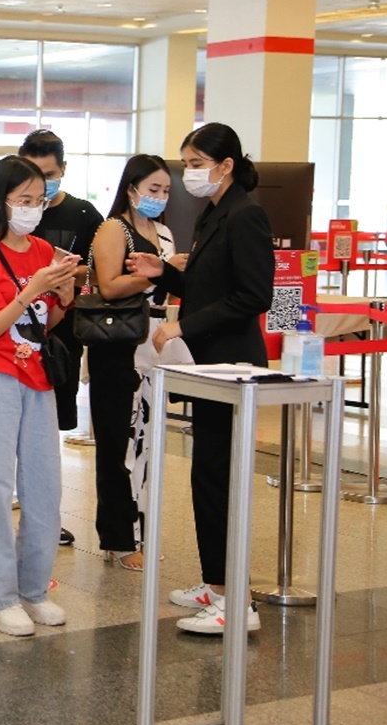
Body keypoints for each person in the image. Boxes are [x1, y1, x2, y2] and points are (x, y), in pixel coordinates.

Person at [128, 123, 273, 636]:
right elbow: (209, 284)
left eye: (195, 164)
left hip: (232, 365)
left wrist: (183, 325)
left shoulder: (246, 214)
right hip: (208, 368)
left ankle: (239, 601)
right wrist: (163, 272)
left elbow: (253, 295)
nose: (188, 174)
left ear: (225, 165)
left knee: (220, 480)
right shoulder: (215, 211)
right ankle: (218, 582)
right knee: (207, 476)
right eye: (186, 163)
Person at [0, 155, 76, 637]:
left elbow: (45, 324)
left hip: (38, 378)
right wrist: (30, 292)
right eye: (22, 199)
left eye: (38, 200)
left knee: (44, 487)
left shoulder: (44, 249)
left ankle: (34, 589)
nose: (32, 208)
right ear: (0, 202)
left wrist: (63, 295)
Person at [86, 155, 178, 572]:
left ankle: (141, 530)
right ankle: (118, 537)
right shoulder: (113, 229)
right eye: (153, 189)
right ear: (132, 188)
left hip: (155, 343)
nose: (160, 197)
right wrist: (161, 273)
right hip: (117, 343)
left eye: (166, 191)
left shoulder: (164, 232)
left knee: (146, 442)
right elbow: (108, 286)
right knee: (116, 443)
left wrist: (170, 275)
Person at [19, 129, 101, 547]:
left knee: (49, 427)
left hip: (60, 336)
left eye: (48, 175)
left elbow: (103, 267)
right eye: (32, 174)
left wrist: (63, 273)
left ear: (63, 170)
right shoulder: (11, 213)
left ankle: (44, 513)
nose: (40, 185)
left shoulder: (84, 215)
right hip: (13, 337)